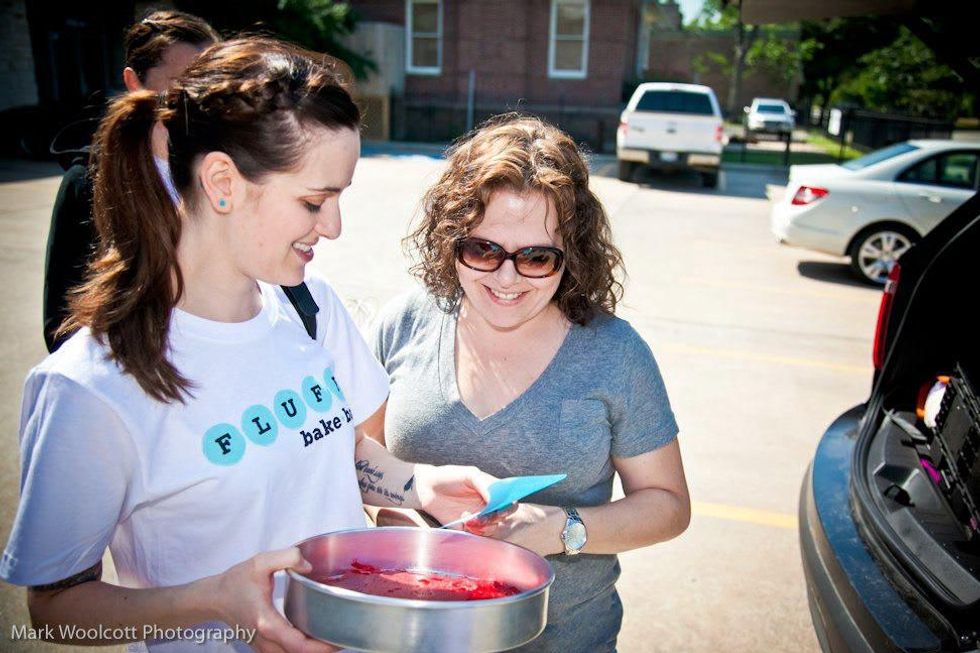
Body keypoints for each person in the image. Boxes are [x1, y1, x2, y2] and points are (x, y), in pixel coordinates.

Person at [2, 38, 498, 653]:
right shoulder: (90, 388)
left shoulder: (310, 306)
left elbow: (336, 455)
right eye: (315, 201)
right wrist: (214, 600)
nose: (335, 227)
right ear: (222, 182)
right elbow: (52, 608)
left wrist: (418, 487)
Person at [369, 115, 692, 652]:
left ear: (574, 256)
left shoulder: (615, 353)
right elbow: (357, 461)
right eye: (483, 250)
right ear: (451, 238)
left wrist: (562, 529)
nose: (506, 279)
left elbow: (668, 504)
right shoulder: (403, 323)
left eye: (537, 257)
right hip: (408, 633)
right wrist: (400, 512)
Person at [43, 10, 220, 353]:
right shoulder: (87, 184)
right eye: (182, 84)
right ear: (133, 82)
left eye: (212, 82)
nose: (200, 98)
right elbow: (61, 326)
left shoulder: (230, 167)